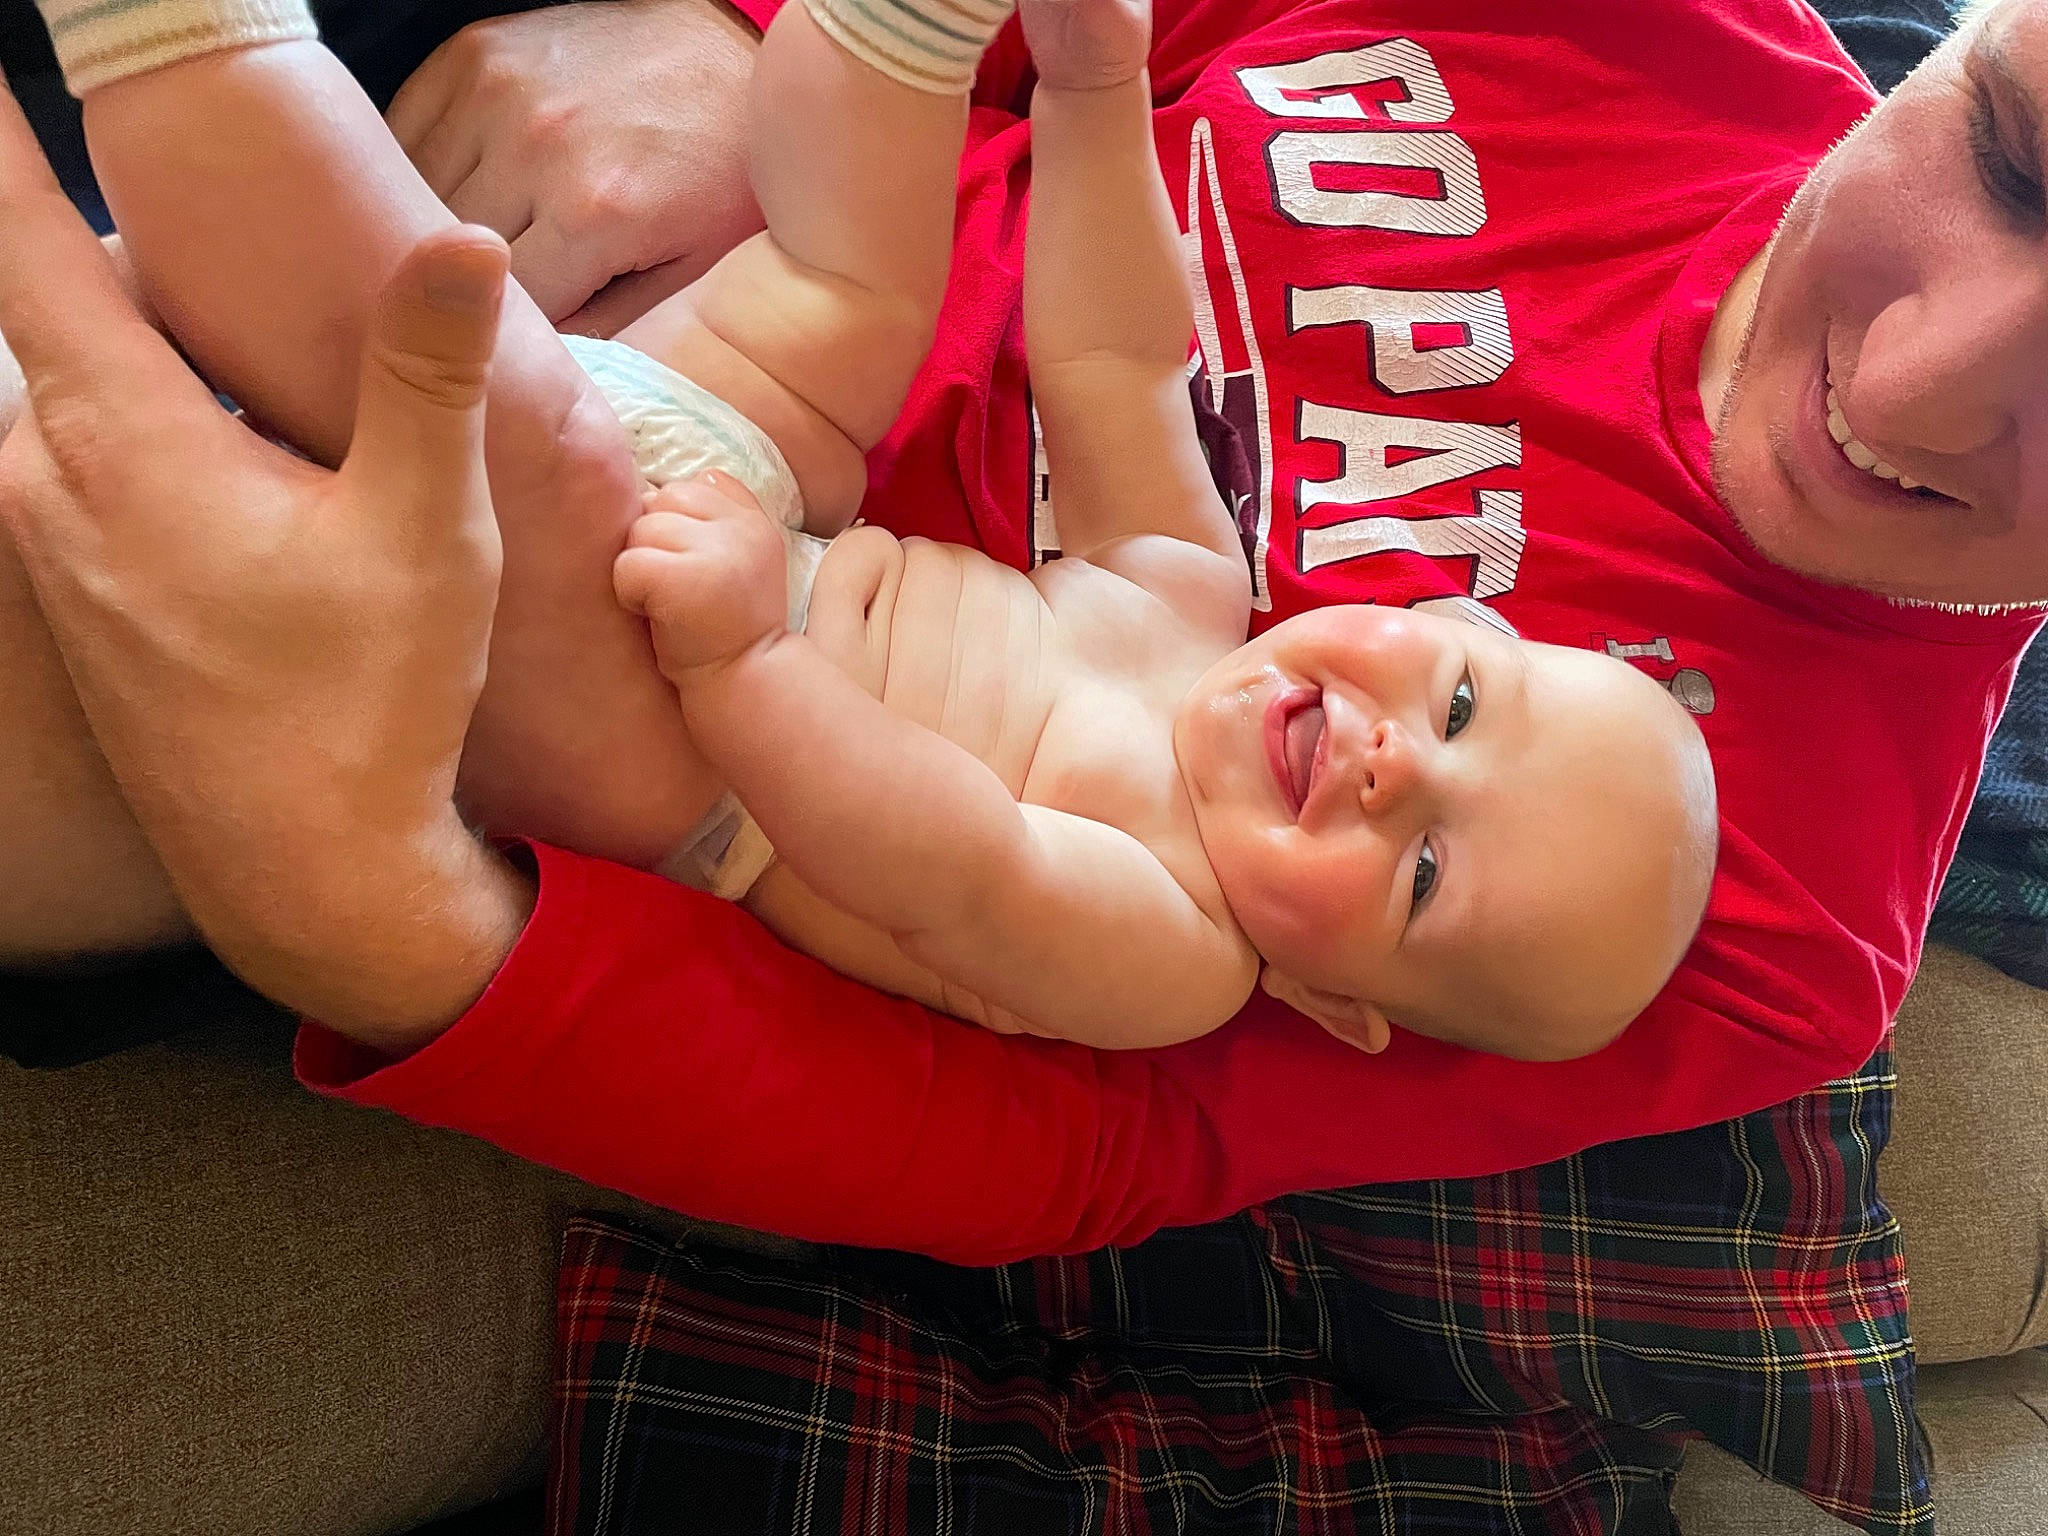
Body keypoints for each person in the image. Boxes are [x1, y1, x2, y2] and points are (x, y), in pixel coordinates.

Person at [0, 0, 2039, 1262]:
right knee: (820, 274)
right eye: (2013, 154)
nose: (1927, 387)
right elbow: (1104, 348)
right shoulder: (1633, 39)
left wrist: (357, 898)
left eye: (1420, 857)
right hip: (722, 350)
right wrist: (807, 38)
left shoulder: (1755, 921)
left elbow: (1032, 1084)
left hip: (595, 685)